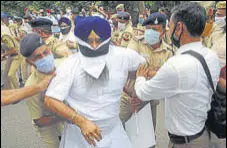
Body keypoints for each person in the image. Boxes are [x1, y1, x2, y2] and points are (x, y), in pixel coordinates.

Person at [44, 16, 145, 148]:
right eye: (88, 41)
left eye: (98, 40)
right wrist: (81, 121)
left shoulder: (124, 56)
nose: (94, 46)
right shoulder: (69, 65)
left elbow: (144, 68)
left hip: (114, 132)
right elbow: (50, 100)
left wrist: (137, 91)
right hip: (80, 135)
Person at [134, 2, 221, 148]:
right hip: (203, 133)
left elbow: (144, 92)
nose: (169, 31)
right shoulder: (211, 56)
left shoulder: (176, 65)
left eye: (171, 26)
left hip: (186, 142)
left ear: (179, 28)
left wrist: (140, 77)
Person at [120, 12, 173, 130]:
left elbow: (166, 80)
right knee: (119, 133)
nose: (150, 32)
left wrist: (146, 72)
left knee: (146, 140)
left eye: (154, 29)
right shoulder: (136, 42)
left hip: (149, 101)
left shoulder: (168, 52)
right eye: (148, 28)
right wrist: (156, 73)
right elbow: (127, 66)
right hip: (128, 98)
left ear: (163, 32)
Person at [20, 33, 63, 148]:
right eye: (37, 57)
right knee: (54, 145)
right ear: (30, 62)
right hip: (47, 122)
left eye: (45, 52)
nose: (44, 58)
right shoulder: (32, 87)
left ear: (49, 50)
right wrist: (64, 115)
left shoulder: (63, 66)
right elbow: (39, 121)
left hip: (64, 115)